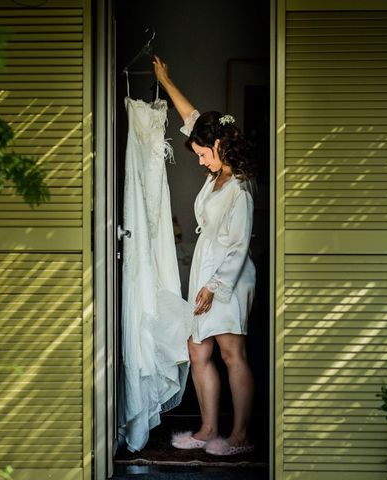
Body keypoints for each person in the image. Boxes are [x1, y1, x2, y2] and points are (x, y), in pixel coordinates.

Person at [152, 55, 256, 456]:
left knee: (232, 352)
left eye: (201, 153)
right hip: (206, 270)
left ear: (218, 144)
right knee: (198, 349)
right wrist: (166, 79)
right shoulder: (218, 175)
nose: (199, 160)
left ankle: (241, 434)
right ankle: (209, 427)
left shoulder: (240, 186)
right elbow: (193, 117)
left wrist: (214, 286)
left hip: (229, 275)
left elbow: (239, 243)